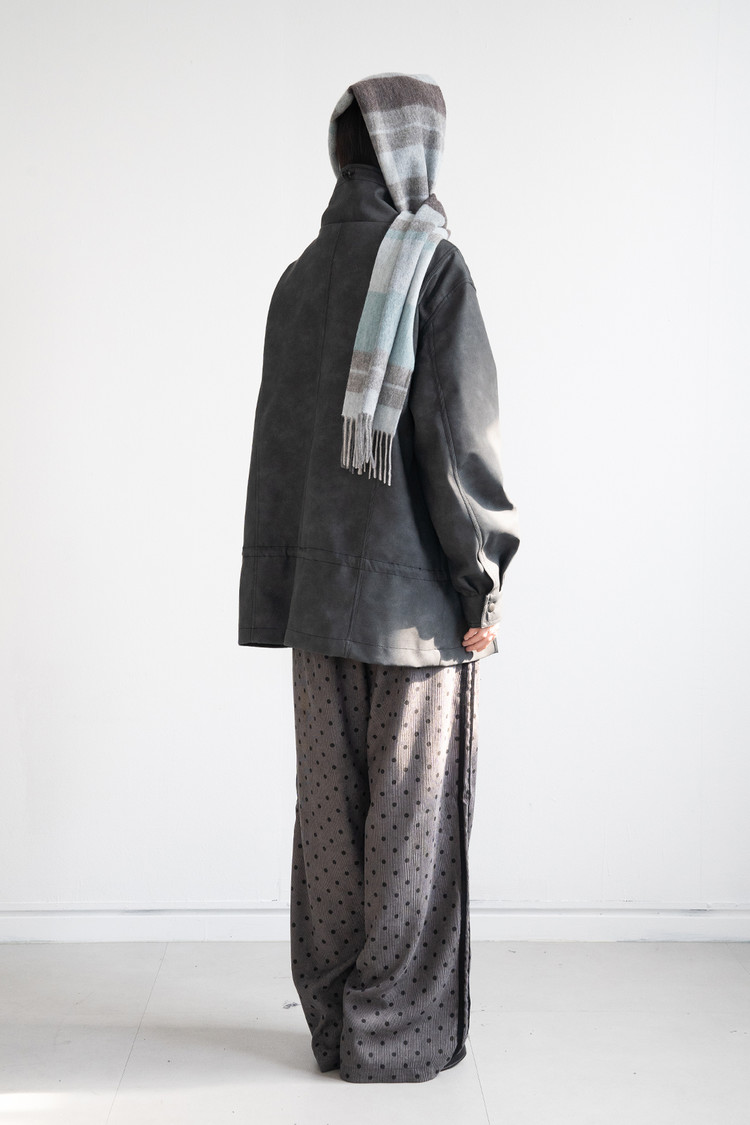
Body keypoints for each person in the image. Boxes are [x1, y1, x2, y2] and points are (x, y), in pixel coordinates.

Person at [238, 72, 520, 1083]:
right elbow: (460, 435)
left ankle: (331, 1024)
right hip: (415, 606)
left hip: (317, 600)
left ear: (341, 154)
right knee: (412, 819)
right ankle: (391, 1034)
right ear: (415, 152)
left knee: (330, 818)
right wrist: (482, 577)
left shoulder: (299, 279)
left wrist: (279, 586)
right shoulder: (433, 266)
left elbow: (278, 455)